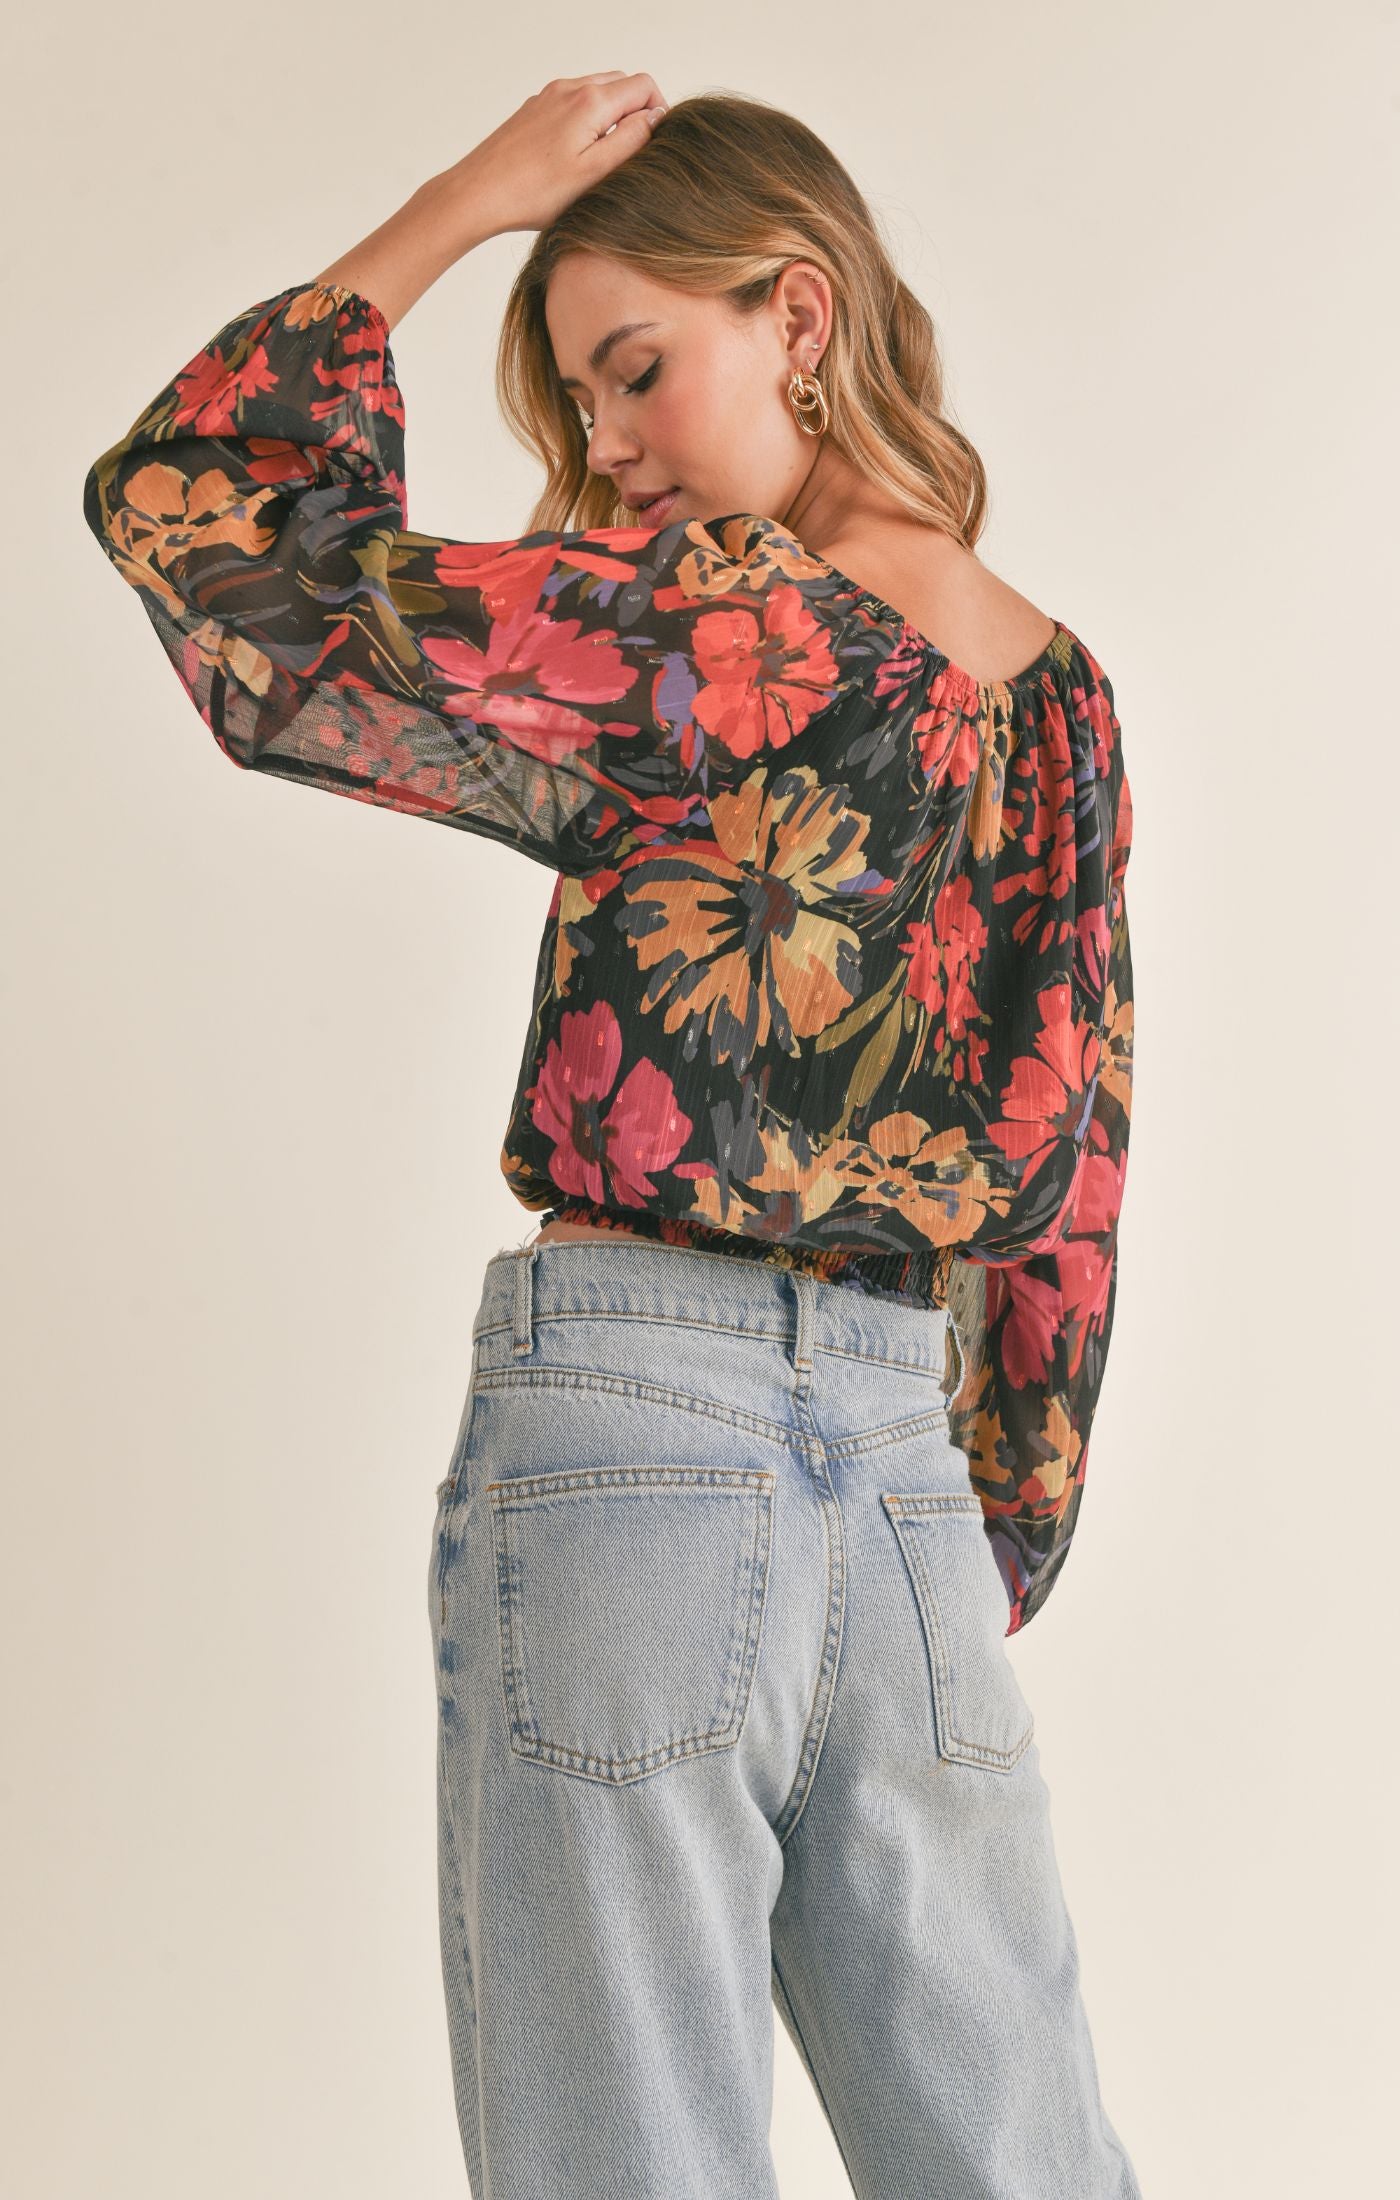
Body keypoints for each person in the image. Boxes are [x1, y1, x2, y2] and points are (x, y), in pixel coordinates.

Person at [82, 73, 1140, 2200]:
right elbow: (1075, 1174)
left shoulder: (721, 625)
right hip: (911, 1482)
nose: (611, 443)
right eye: (582, 402)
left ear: (800, 314)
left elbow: (211, 530)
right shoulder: (1063, 700)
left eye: (635, 369)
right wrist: (967, 1544)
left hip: (637, 1441)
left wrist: (468, 197)